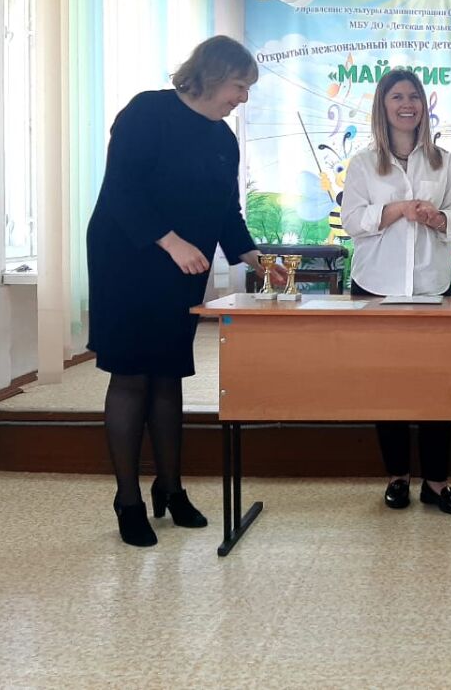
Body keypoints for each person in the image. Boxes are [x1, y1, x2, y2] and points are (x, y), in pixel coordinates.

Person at [87, 35, 286, 548]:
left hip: (182, 266)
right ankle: (128, 500)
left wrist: (256, 259)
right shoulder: (147, 112)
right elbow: (121, 190)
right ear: (212, 75)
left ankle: (170, 488)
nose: (242, 97)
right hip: (128, 258)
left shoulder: (223, 139)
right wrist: (170, 241)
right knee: (132, 376)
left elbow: (225, 212)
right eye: (239, 86)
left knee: (169, 372)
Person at [340, 69, 451, 516]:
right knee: (387, 384)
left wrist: (439, 219)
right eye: (397, 96)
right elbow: (352, 221)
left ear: (423, 106)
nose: (407, 104)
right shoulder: (363, 163)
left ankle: (437, 483)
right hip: (376, 287)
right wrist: (397, 209)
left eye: (414, 96)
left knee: (438, 385)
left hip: (432, 286)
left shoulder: (441, 161)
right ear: (383, 105)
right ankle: (397, 476)